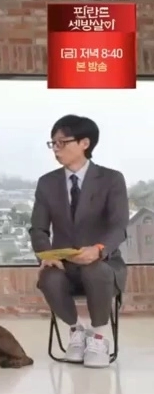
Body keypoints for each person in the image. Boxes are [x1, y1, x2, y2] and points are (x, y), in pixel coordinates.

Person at [30, 115, 128, 368]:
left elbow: (119, 226)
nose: (56, 149)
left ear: (85, 143)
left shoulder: (111, 179)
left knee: (95, 271)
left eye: (62, 142)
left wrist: (98, 249)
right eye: (53, 143)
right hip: (64, 263)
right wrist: (46, 255)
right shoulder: (47, 183)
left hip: (103, 263)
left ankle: (99, 337)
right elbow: (38, 228)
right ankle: (76, 331)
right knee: (49, 278)